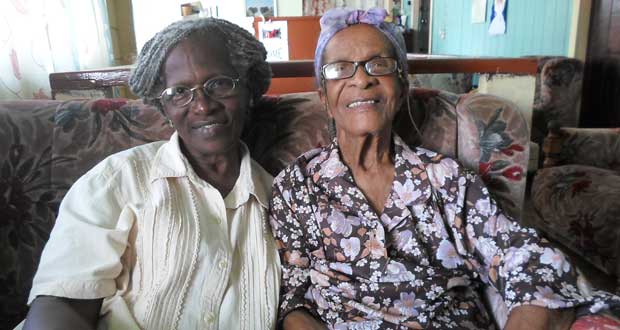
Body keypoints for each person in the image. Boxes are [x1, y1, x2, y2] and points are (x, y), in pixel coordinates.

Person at [269, 7, 620, 330]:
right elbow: (295, 295)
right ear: (324, 97)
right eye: (340, 68)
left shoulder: (446, 179)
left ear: (402, 86)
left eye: (379, 64)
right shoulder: (297, 186)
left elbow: (524, 257)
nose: (362, 80)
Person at [22, 18, 280, 330]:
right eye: (179, 91)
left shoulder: (283, 203)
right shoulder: (118, 179)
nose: (202, 105)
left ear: (249, 90)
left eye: (220, 84)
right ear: (164, 106)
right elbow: (62, 300)